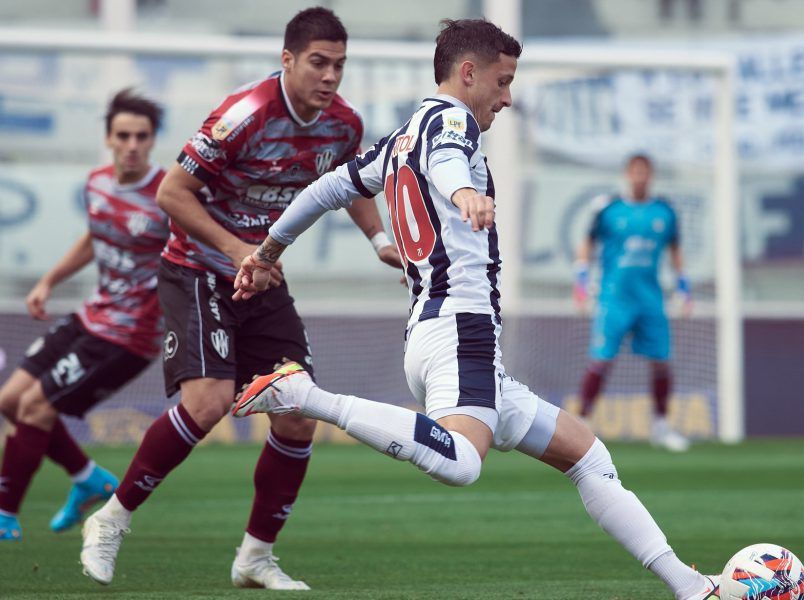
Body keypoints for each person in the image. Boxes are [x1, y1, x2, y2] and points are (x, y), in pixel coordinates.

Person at [229, 19, 720, 600]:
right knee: (462, 461)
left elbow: (324, 190)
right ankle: (305, 395)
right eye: (502, 81)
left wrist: (267, 252)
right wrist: (462, 190)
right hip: (461, 328)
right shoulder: (450, 121)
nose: (507, 98)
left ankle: (691, 586)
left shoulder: (398, 139)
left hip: (438, 333)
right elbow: (446, 158)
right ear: (468, 73)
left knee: (589, 457)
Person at [80, 7, 401, 589]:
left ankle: (255, 557)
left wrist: (379, 240)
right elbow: (173, 193)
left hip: (260, 279)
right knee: (208, 404)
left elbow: (350, 182)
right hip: (198, 270)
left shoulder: (343, 124)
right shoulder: (243, 116)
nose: (330, 76)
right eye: (318, 63)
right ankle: (111, 519)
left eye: (339, 65)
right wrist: (237, 250)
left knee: (298, 414)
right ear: (288, 60)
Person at [0, 89, 169, 541]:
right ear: (109, 138)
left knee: (34, 408)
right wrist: (48, 281)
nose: (132, 145)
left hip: (128, 337)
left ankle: (5, 517)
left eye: (141, 136)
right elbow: (94, 238)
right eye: (123, 136)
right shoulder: (97, 182)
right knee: (10, 399)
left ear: (153, 140)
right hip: (90, 316)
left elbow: (191, 257)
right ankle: (88, 478)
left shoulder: (168, 195)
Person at [573, 154, 693, 451]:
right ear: (627, 174)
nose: (640, 177)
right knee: (601, 359)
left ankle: (661, 426)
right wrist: (581, 280)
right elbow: (588, 242)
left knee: (661, 360)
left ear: (651, 175)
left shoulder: (664, 212)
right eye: (635, 172)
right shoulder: (609, 209)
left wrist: (683, 288)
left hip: (650, 298)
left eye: (645, 172)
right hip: (614, 298)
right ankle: (581, 425)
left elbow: (675, 249)